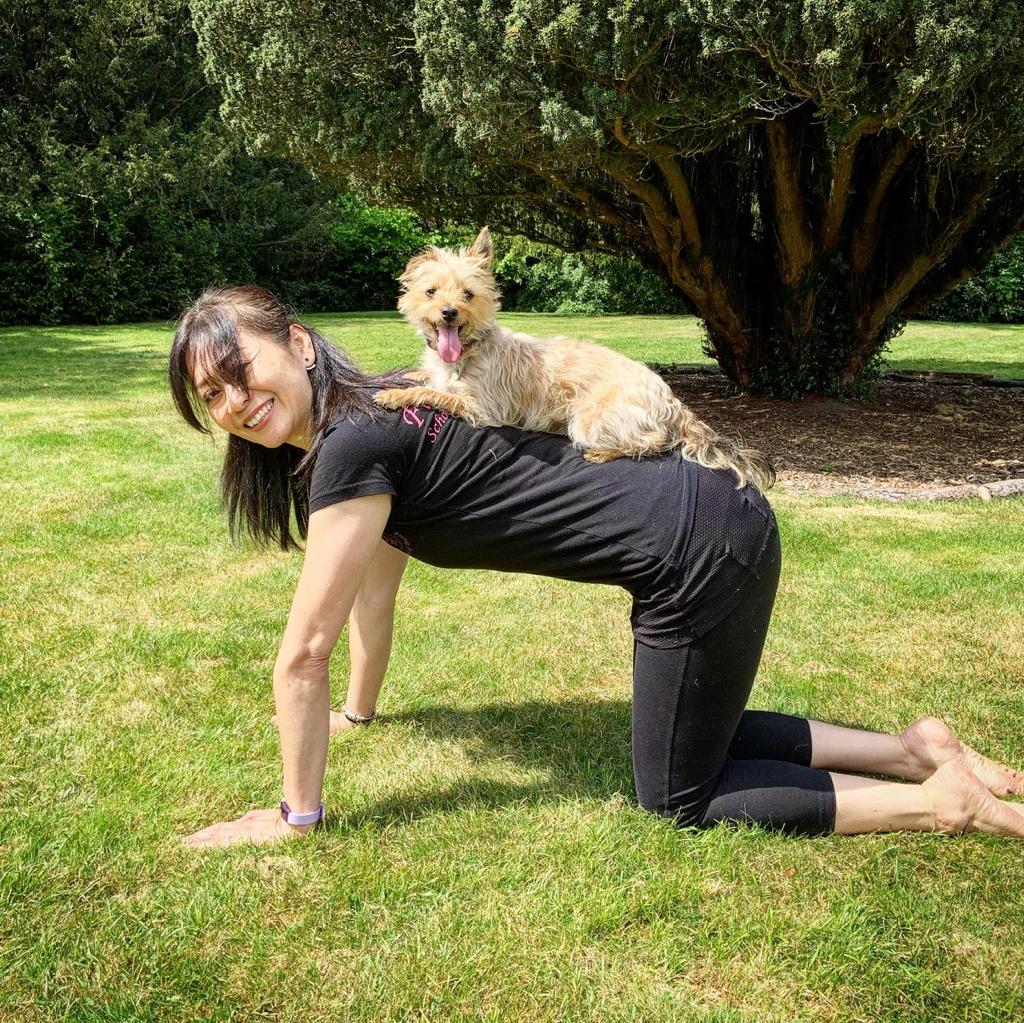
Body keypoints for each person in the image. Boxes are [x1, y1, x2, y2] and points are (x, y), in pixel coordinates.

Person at [168, 285, 1024, 848]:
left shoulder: (354, 442)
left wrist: (295, 816)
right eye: (212, 396)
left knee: (680, 797)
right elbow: (370, 599)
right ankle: (917, 748)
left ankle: (942, 802)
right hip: (716, 513)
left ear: (301, 345)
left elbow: (301, 653)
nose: (234, 401)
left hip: (698, 550)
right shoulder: (388, 406)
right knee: (693, 732)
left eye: (239, 370)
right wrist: (360, 712)